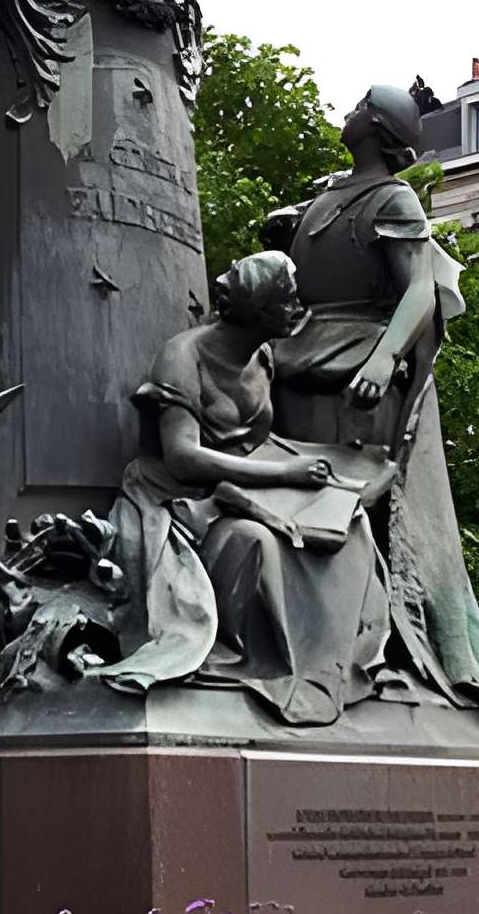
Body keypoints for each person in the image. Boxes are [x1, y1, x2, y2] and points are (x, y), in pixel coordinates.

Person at [265, 86, 479, 771]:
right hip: (300, 361)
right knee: (297, 502)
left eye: (357, 108)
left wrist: (383, 358)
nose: (345, 114)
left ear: (374, 128)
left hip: (357, 369)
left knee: (354, 510)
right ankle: (305, 639)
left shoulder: (395, 201)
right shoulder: (331, 194)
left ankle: (370, 647)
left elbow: (420, 291)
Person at [103, 251, 397, 726]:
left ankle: (337, 666)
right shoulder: (183, 357)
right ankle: (274, 665)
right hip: (189, 501)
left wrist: (388, 356)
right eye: (287, 301)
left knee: (349, 524)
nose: (298, 309)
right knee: (257, 542)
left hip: (253, 490)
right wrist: (284, 476)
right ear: (257, 310)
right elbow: (182, 457)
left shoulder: (263, 355)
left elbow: (311, 371)